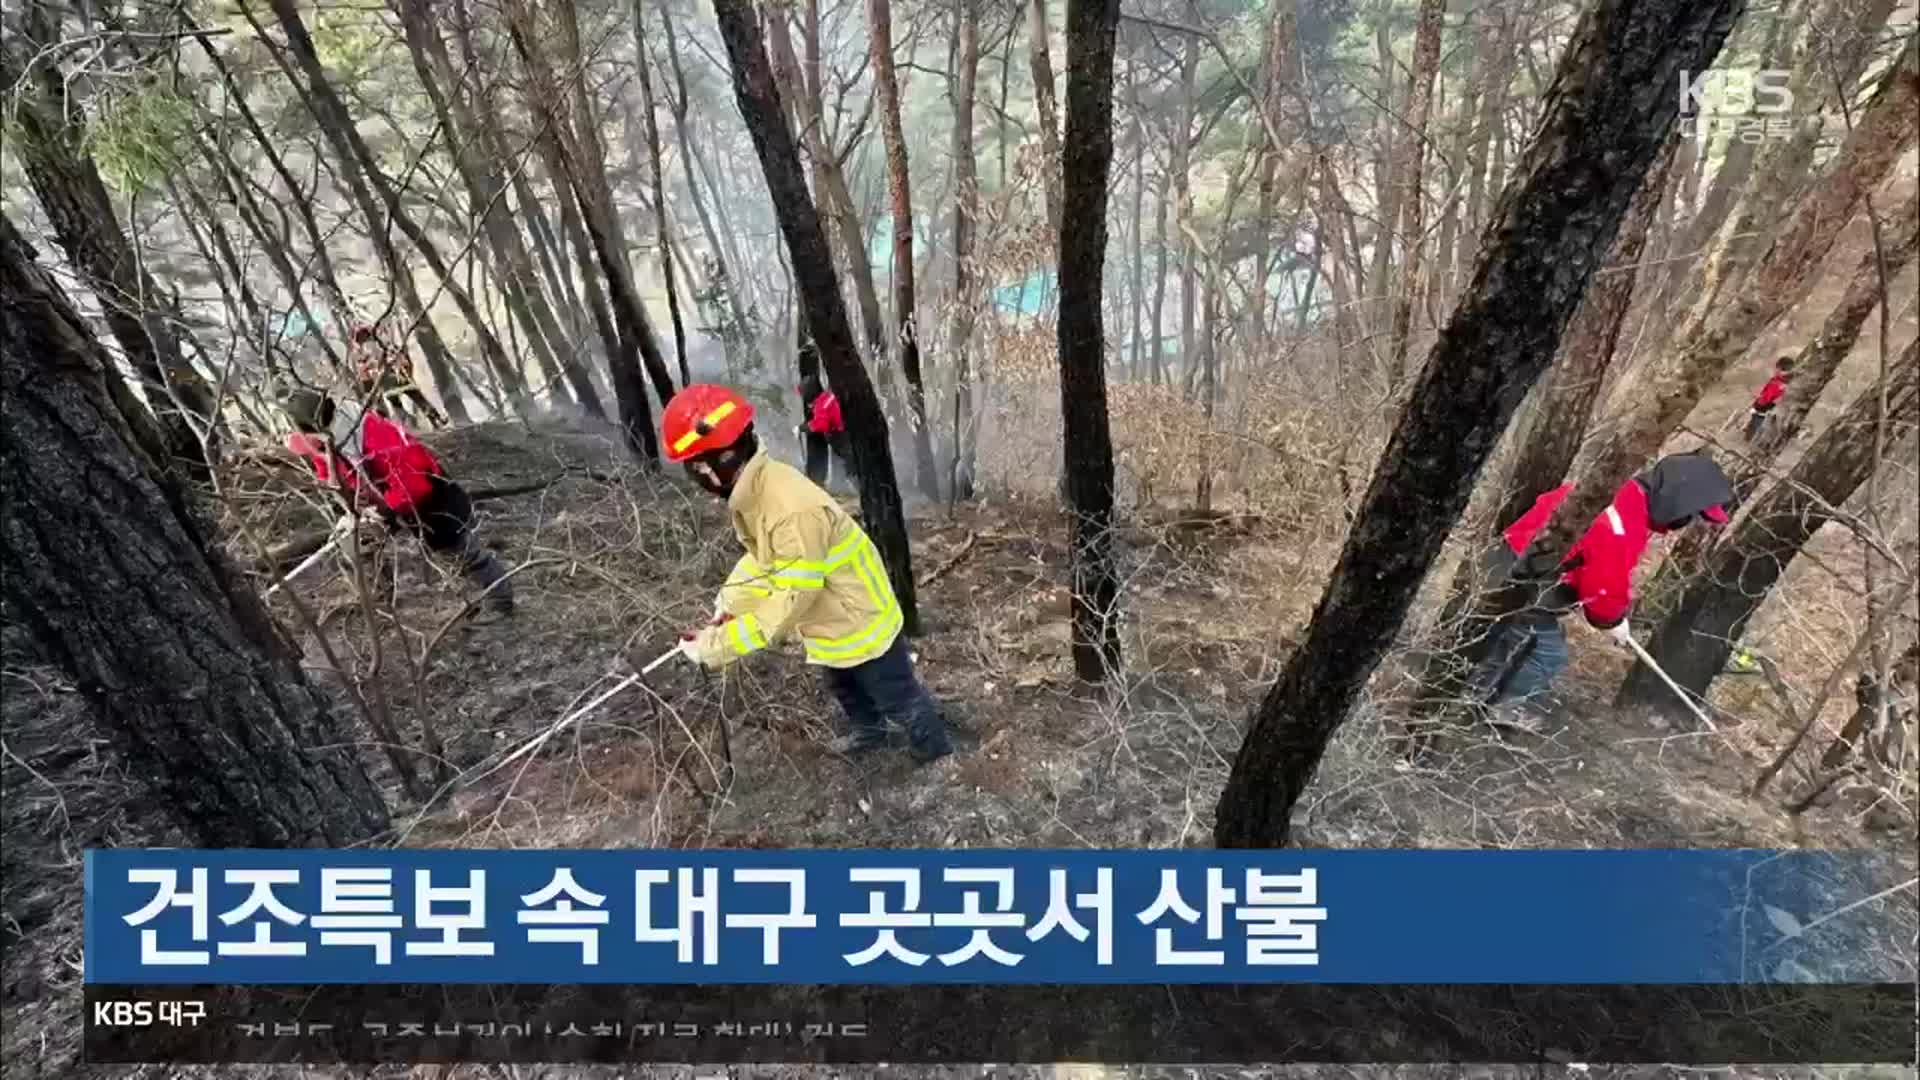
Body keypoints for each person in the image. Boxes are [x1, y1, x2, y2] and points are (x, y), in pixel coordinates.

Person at [645, 383, 953, 764]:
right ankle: (870, 734)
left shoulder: (789, 508)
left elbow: (791, 599)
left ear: (713, 464)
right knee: (845, 686)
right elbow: (766, 556)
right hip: (831, 619)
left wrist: (721, 645)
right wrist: (730, 601)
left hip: (860, 618)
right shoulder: (758, 490)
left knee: (897, 695)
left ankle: (940, 759)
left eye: (694, 467)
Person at [1471, 453, 1733, 731]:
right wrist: (1613, 621)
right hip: (1524, 575)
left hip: (1505, 558)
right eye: (1690, 515)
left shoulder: (1620, 491)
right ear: (1677, 502)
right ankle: (1504, 707)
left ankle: (1477, 686)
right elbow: (1602, 590)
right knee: (1546, 652)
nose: (1686, 522)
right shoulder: (1621, 525)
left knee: (1509, 634)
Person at [283, 389, 513, 616]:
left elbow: (413, 485)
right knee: (351, 543)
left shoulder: (373, 433)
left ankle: (500, 602)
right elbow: (328, 474)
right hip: (380, 503)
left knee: (460, 551)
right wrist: (353, 504)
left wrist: (386, 511)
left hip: (431, 498)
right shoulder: (321, 443)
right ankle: (382, 605)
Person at [348, 323, 445, 429]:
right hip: (386, 381)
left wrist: (400, 365)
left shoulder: (379, 343)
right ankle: (411, 428)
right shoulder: (361, 352)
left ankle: (435, 420)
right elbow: (365, 373)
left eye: (363, 334)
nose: (364, 337)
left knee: (416, 398)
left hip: (395, 377)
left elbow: (394, 354)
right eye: (361, 335)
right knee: (402, 405)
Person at [797, 374, 852, 485]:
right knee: (845, 463)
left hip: (841, 436)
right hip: (846, 432)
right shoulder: (827, 397)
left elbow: (821, 424)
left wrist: (803, 428)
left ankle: (861, 489)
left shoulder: (821, 405)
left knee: (850, 466)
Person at [1744, 356, 1793, 442]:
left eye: (1779, 369)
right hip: (1770, 408)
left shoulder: (1776, 383)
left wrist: (1757, 405)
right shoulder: (1786, 382)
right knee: (1758, 424)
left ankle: (1749, 439)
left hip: (1764, 408)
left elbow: (1765, 399)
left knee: (1755, 425)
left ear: (1778, 368)